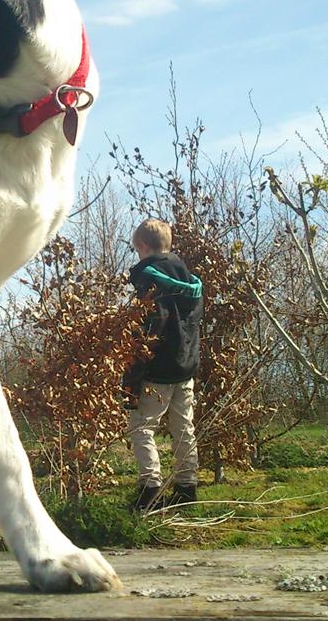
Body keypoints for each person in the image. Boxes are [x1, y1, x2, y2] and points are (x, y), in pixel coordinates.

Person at [122, 218, 204, 511]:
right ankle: (186, 488)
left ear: (143, 247)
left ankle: (151, 488)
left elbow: (149, 327)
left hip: (156, 368)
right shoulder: (191, 281)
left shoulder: (149, 280)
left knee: (142, 427)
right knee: (183, 427)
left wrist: (134, 367)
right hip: (185, 365)